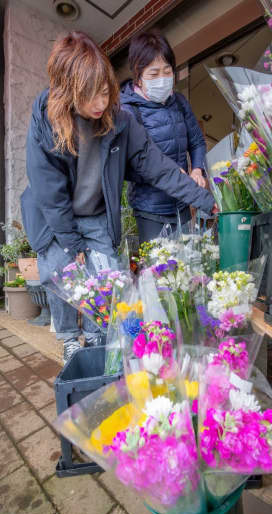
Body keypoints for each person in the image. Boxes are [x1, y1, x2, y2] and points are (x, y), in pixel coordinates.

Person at [21, 31, 216, 364]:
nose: (101, 104)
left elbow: (160, 168)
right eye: (91, 96)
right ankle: (70, 338)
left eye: (104, 92)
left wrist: (203, 199)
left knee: (111, 284)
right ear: (69, 92)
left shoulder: (119, 119)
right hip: (53, 217)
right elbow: (49, 192)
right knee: (62, 273)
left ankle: (100, 339)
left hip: (96, 214)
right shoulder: (46, 119)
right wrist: (72, 245)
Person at [121, 31, 208, 243]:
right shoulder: (127, 110)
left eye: (167, 71)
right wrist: (165, 172)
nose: (162, 79)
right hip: (150, 209)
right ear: (138, 76)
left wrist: (197, 169)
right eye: (153, 74)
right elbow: (128, 166)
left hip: (182, 203)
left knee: (190, 266)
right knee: (159, 271)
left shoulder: (178, 102)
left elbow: (196, 141)